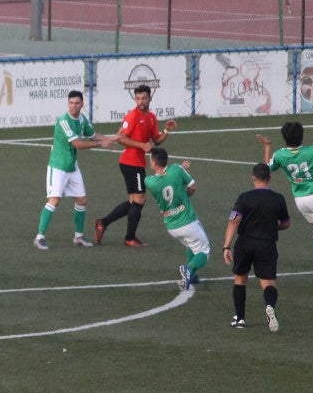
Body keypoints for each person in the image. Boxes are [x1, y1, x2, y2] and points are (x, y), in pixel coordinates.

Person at [34, 90, 118, 250]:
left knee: (81, 200)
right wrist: (101, 144)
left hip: (72, 166)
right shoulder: (63, 121)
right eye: (71, 103)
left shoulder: (81, 119)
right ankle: (39, 237)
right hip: (58, 166)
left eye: (77, 103)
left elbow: (93, 135)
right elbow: (78, 144)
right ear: (68, 103)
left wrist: (110, 138)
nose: (74, 106)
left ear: (82, 104)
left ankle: (78, 236)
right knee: (54, 200)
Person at [95, 84, 177, 247]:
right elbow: (120, 139)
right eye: (138, 98)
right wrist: (141, 145)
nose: (140, 101)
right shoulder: (132, 116)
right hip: (130, 162)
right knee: (140, 199)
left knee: (134, 201)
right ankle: (130, 238)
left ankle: (102, 222)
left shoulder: (152, 117)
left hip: (137, 163)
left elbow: (156, 140)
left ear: (150, 98)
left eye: (144, 98)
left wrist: (166, 131)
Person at [223, 163, 290, 331]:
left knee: (240, 279)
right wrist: (274, 227)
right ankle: (269, 306)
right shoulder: (278, 198)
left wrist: (226, 246)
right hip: (267, 244)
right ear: (269, 178)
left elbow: (234, 221)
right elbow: (286, 223)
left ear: (253, 178)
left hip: (245, 243)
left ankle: (240, 319)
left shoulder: (244, 197)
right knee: (268, 283)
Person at [143, 147, 209, 290]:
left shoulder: (149, 181)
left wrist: (179, 169)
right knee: (204, 252)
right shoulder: (176, 169)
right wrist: (181, 170)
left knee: (191, 245)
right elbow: (193, 187)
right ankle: (189, 270)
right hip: (188, 221)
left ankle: (192, 277)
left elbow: (165, 179)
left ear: (154, 163)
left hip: (171, 226)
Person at [256, 121, 313, 263]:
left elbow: (267, 169)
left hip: (300, 200)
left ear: (285, 138)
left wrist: (267, 147)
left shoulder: (280, 155)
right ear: (302, 135)